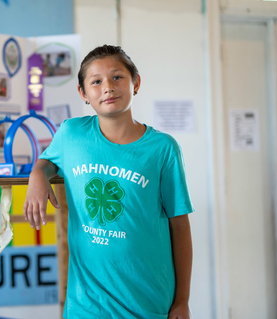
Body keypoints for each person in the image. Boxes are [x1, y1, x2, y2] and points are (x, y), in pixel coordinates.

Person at [23, 45, 194, 319]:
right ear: (83, 93)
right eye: (96, 81)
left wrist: (182, 301)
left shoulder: (163, 148)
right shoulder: (71, 134)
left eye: (117, 77)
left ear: (135, 83)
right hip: (86, 306)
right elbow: (46, 161)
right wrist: (37, 175)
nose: (108, 87)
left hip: (148, 302)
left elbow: (180, 226)